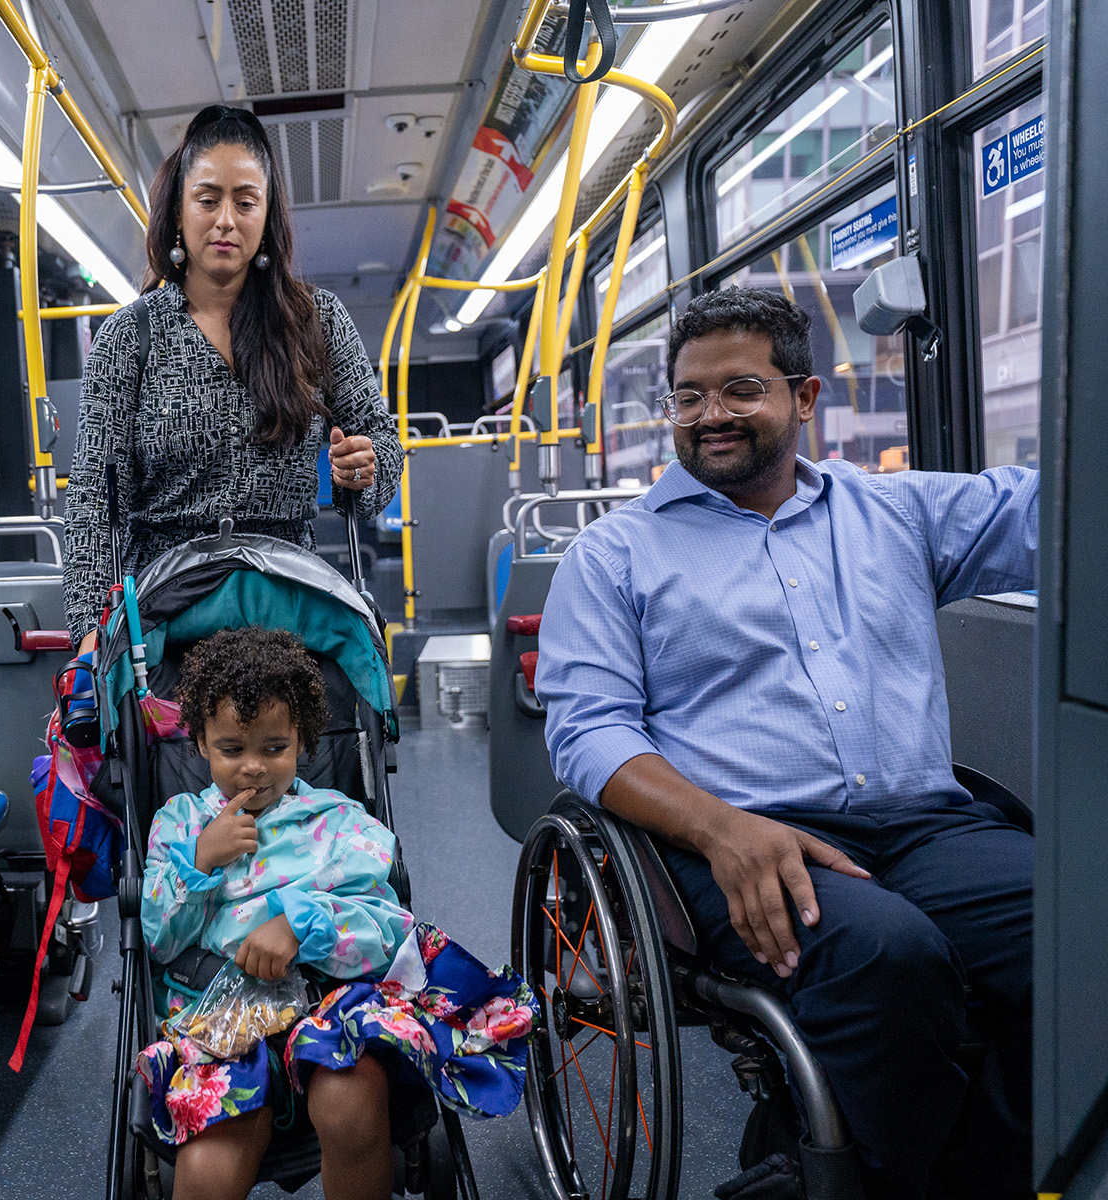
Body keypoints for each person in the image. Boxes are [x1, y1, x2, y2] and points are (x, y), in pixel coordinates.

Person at [536, 287, 1038, 1200]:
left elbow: (1056, 512)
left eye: (739, 390)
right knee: (893, 957)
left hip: (926, 825)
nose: (710, 416)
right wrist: (723, 830)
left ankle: (964, 1164)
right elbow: (587, 732)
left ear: (804, 397)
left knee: (1072, 920)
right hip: (738, 836)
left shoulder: (898, 513)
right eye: (688, 397)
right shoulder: (614, 556)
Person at [138, 627, 535, 1200]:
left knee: (351, 1101)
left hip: (331, 1000)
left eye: (273, 748)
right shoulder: (179, 824)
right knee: (209, 1164)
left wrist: (302, 923)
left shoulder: (343, 823)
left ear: (302, 742)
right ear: (199, 742)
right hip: (217, 1016)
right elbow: (156, 939)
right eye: (232, 749)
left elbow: (385, 931)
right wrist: (200, 860)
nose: (253, 767)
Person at [61, 106, 402, 644]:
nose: (226, 219)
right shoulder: (130, 337)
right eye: (207, 199)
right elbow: (93, 502)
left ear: (267, 217)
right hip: (166, 612)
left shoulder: (317, 322)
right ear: (178, 211)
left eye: (245, 202)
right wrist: (90, 635)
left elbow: (383, 441)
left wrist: (366, 467)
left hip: (288, 601)